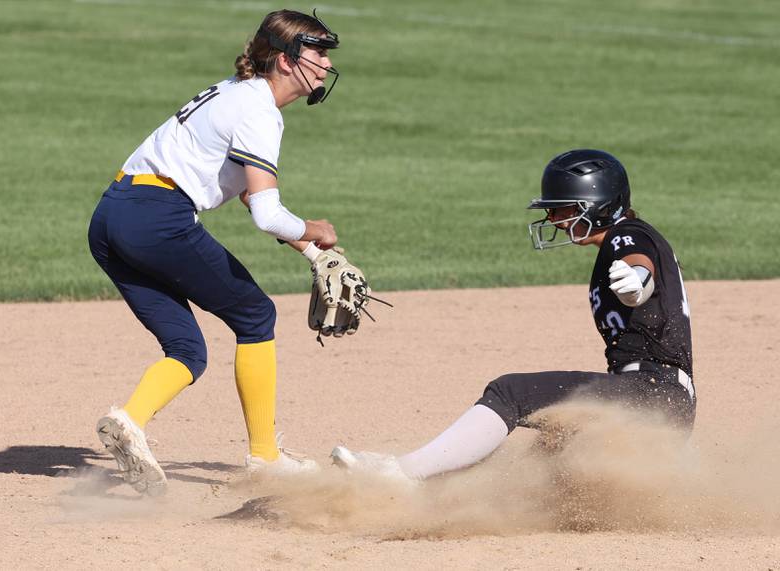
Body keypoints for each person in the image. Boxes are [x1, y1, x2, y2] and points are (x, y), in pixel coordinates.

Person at [88, 9, 345, 496]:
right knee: (255, 314)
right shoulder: (258, 111)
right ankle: (265, 458)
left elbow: (250, 193)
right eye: (318, 52)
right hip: (158, 216)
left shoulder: (236, 92)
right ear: (287, 60)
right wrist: (317, 230)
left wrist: (312, 254)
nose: (326, 63)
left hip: (111, 217)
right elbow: (267, 213)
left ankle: (127, 421)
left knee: (187, 350)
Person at [331, 149, 696, 481]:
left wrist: (638, 282)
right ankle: (440, 495)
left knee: (510, 392)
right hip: (657, 402)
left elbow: (639, 262)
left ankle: (401, 475)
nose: (553, 218)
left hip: (652, 395)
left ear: (596, 203)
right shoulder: (620, 240)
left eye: (563, 208)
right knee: (551, 454)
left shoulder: (627, 233)